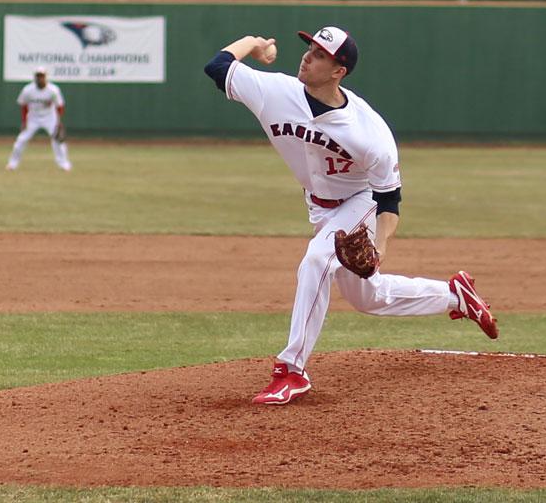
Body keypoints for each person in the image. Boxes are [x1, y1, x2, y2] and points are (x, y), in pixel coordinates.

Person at [204, 27, 498, 406]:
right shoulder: (275, 92)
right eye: (309, 48)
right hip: (320, 207)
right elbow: (218, 66)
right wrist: (254, 44)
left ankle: (292, 369)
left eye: (320, 54)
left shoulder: (368, 132)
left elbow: (390, 199)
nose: (308, 57)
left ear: (338, 71)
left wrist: (379, 246)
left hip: (362, 201)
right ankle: (456, 296)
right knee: (368, 299)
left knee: (316, 262)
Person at [6, 66, 72, 172]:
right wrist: (24, 121)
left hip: (50, 118)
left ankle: (64, 164)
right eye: (38, 76)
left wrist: (58, 121)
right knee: (21, 140)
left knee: (58, 141)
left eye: (42, 76)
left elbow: (60, 106)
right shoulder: (28, 90)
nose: (40, 78)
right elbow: (23, 105)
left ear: (46, 77)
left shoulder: (53, 90)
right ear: (35, 77)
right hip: (33, 118)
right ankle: (12, 164)